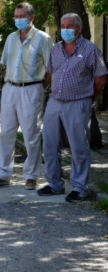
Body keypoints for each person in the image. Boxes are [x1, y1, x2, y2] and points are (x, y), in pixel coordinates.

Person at [38, 13, 107, 202]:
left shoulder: (91, 49)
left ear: (79, 28)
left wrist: (89, 99)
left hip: (78, 102)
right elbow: (50, 73)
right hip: (55, 101)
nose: (66, 29)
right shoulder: (56, 49)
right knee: (50, 144)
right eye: (63, 26)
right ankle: (55, 184)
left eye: (70, 26)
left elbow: (101, 78)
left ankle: (80, 187)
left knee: (78, 147)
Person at [0, 3, 53, 189]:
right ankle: (3, 173)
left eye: (21, 16)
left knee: (31, 134)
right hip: (10, 88)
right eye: (16, 16)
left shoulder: (43, 38)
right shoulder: (11, 38)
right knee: (6, 132)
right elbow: (7, 64)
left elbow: (51, 69)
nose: (18, 19)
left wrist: (39, 87)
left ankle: (31, 175)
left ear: (32, 17)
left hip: (31, 89)